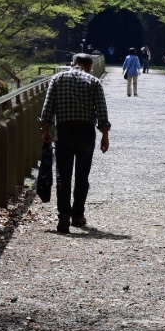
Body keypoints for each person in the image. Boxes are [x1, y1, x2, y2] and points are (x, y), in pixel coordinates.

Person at [39, 53, 111, 233]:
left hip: (64, 130)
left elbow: (47, 107)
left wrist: (45, 130)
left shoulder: (57, 79)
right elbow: (101, 111)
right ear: (89, 67)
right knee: (82, 175)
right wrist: (104, 135)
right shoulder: (94, 82)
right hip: (85, 131)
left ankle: (63, 215)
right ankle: (78, 215)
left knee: (63, 175)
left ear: (73, 63)